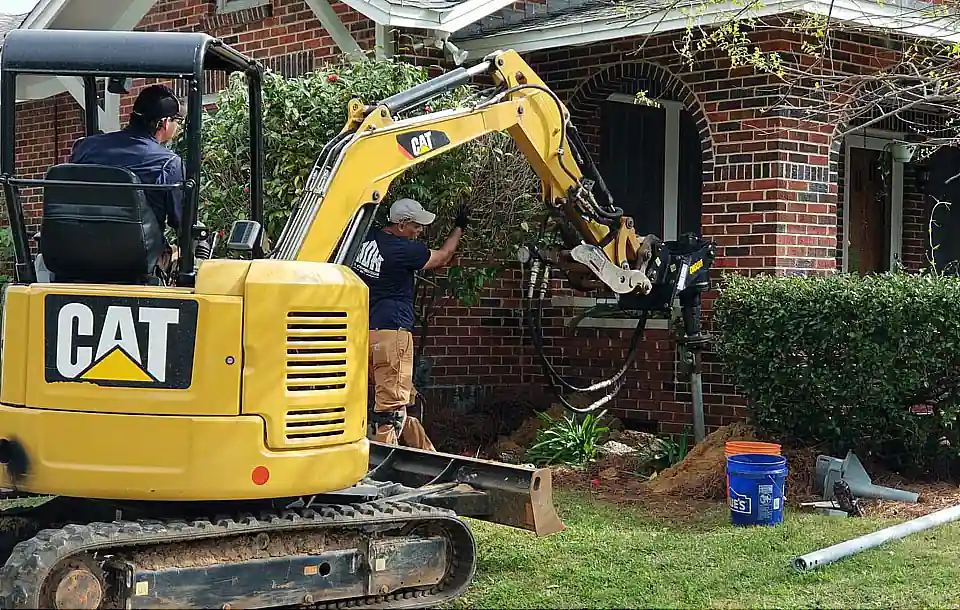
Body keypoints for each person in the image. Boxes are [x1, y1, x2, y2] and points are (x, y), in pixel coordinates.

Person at [353, 197, 470, 450]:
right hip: (392, 334)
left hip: (361, 334)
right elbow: (443, 256)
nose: (419, 231)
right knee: (391, 409)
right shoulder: (404, 249)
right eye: (416, 226)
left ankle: (426, 455)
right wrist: (459, 227)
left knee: (400, 400)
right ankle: (383, 463)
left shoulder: (365, 239)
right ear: (402, 224)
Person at [69, 84, 185, 236]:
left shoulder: (84, 147)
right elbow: (183, 223)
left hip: (76, 247)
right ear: (164, 123)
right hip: (138, 255)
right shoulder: (169, 164)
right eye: (177, 120)